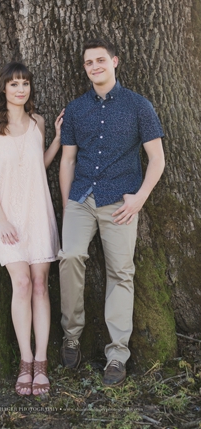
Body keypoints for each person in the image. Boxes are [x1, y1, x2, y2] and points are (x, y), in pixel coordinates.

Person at [58, 38, 165, 386]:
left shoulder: (139, 106)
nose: (95, 67)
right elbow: (68, 160)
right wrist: (67, 204)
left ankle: (117, 355)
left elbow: (157, 160)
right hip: (82, 198)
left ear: (115, 61)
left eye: (100, 60)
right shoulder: (75, 109)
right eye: (89, 63)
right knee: (70, 254)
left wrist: (139, 199)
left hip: (122, 202)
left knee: (121, 272)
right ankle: (71, 335)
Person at [0, 62, 62, 396]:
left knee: (41, 284)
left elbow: (38, 166)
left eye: (25, 83)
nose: (20, 89)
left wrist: (55, 140)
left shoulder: (38, 122)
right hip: (7, 217)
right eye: (14, 84)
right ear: (3, 89)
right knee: (23, 283)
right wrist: (2, 219)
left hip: (38, 212)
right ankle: (24, 361)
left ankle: (41, 363)